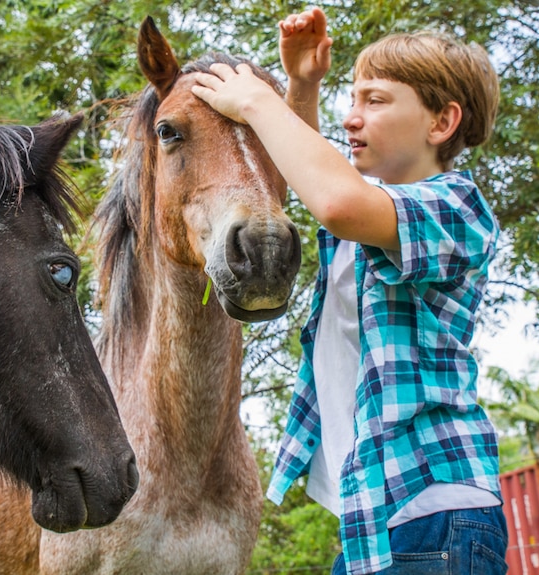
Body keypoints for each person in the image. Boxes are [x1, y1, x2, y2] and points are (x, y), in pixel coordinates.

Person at [191, 7, 508, 575]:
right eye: (352, 98)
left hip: (435, 513)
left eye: (376, 100)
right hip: (372, 519)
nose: (352, 117)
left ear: (441, 123)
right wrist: (302, 84)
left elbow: (337, 203)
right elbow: (318, 181)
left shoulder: (458, 207)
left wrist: (258, 102)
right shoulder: (368, 227)